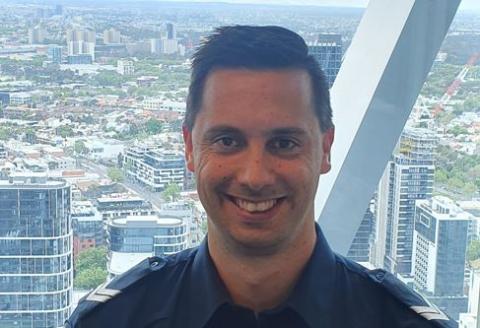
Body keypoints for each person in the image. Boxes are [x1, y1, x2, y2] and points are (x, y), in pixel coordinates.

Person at [66, 25, 456, 328]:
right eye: (226, 140)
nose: (255, 175)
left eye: (284, 143)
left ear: (325, 148)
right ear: (189, 147)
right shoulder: (114, 320)